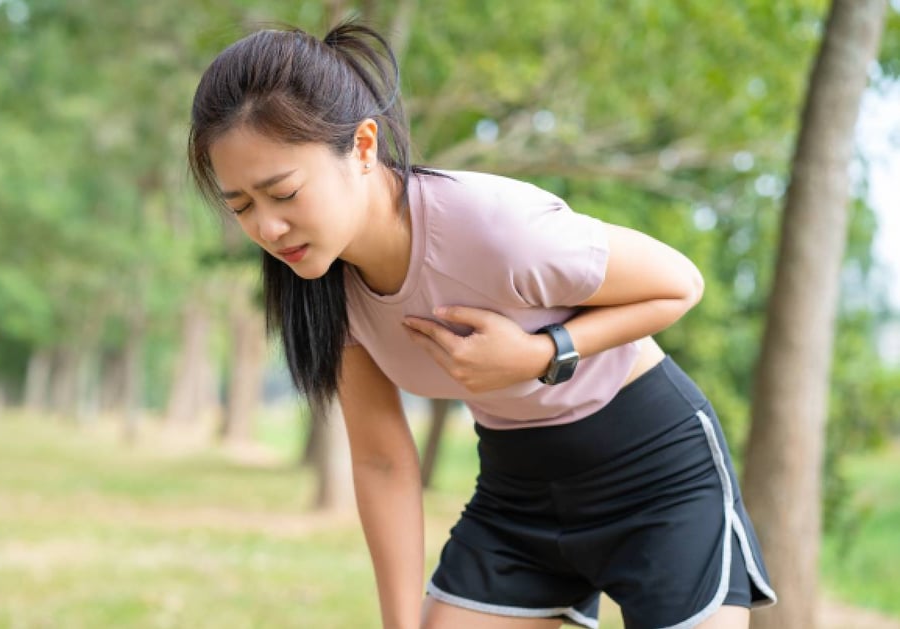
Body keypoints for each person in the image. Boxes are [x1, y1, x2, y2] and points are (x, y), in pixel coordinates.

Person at [187, 21, 777, 629]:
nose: (267, 229)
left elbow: (680, 283)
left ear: (363, 147)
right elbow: (383, 461)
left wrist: (543, 354)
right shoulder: (322, 287)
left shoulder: (500, 230)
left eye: (282, 193)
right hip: (519, 491)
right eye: (241, 207)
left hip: (653, 475)